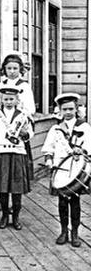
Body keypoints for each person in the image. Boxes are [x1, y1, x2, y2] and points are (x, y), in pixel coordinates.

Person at [42, 93, 91, 247]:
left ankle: (75, 233)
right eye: (65, 109)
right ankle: (63, 231)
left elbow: (89, 147)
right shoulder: (55, 128)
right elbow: (48, 148)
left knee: (75, 202)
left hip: (77, 170)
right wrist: (49, 160)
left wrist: (81, 151)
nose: (68, 112)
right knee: (62, 203)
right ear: (60, 111)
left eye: (71, 109)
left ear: (76, 109)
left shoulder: (84, 127)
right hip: (61, 171)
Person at [0, 54, 36, 212]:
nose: (12, 71)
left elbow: (31, 108)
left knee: (15, 170)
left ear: (20, 70)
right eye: (9, 68)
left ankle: (14, 202)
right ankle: (2, 200)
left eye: (15, 68)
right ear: (4, 70)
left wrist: (19, 114)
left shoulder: (25, 86)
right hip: (3, 129)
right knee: (3, 170)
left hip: (18, 128)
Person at [0, 86, 34, 230]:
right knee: (3, 188)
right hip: (1, 153)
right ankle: (4, 216)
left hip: (18, 153)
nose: (8, 101)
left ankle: (16, 218)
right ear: (1, 100)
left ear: (17, 100)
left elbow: (30, 133)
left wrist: (25, 133)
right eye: (5, 99)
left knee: (17, 188)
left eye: (11, 99)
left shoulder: (23, 115)